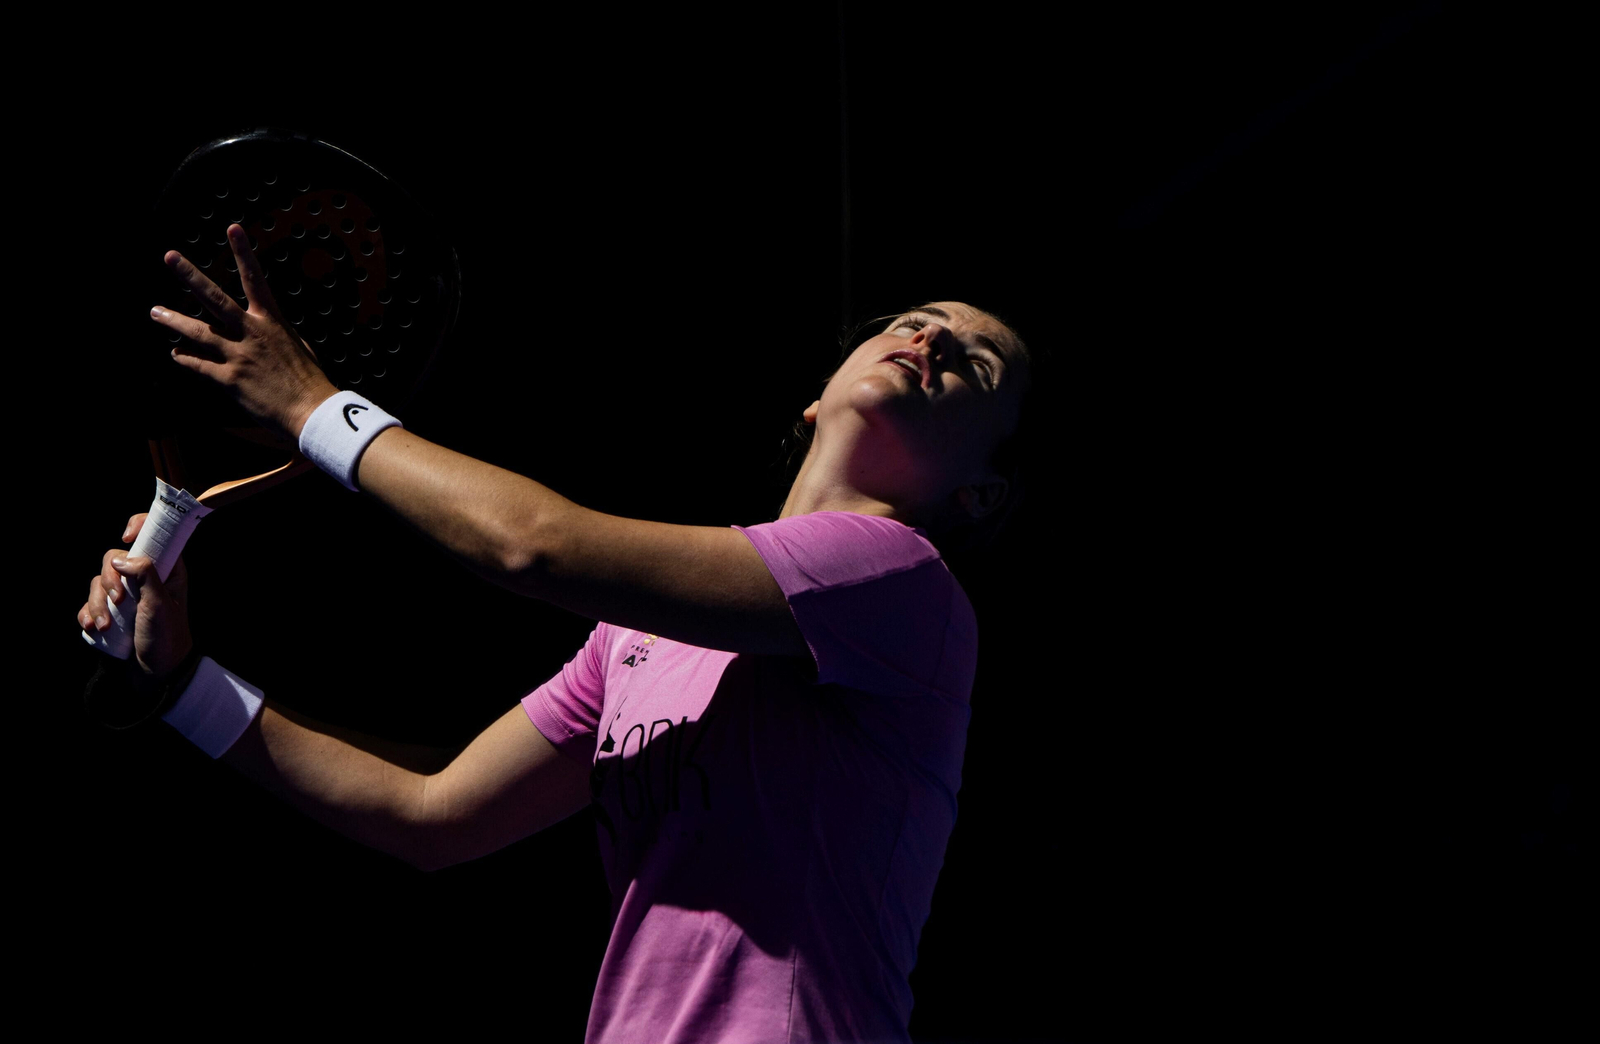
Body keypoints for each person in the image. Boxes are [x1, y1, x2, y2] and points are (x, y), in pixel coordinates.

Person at [78, 223, 1032, 1043]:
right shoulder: (635, 640)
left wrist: (315, 408)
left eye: (977, 362)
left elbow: (534, 546)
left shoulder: (906, 586)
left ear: (981, 492)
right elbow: (431, 811)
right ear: (816, 397)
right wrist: (179, 680)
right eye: (911, 319)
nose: (934, 336)